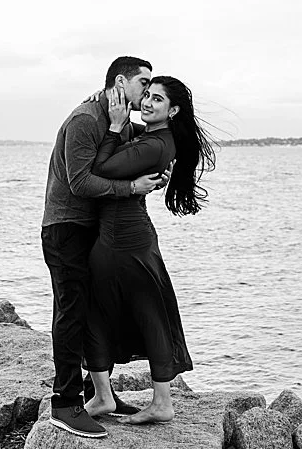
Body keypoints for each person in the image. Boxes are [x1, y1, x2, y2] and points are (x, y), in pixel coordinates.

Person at [40, 56, 167, 438]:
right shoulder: (84, 119)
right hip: (65, 229)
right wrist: (131, 187)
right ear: (119, 82)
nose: (147, 90)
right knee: (71, 312)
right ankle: (64, 404)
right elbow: (80, 182)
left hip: (92, 229)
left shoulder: (120, 121)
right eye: (143, 82)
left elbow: (127, 158)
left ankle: (102, 395)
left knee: (97, 312)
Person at [83, 76, 214, 424]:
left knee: (105, 311)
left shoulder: (156, 144)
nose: (148, 103)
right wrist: (107, 100)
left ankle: (115, 398)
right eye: (148, 96)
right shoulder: (154, 137)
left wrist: (112, 128)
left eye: (158, 100)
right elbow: (129, 125)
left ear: (172, 110)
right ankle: (122, 397)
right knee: (142, 311)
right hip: (129, 235)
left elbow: (100, 170)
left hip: (121, 239)